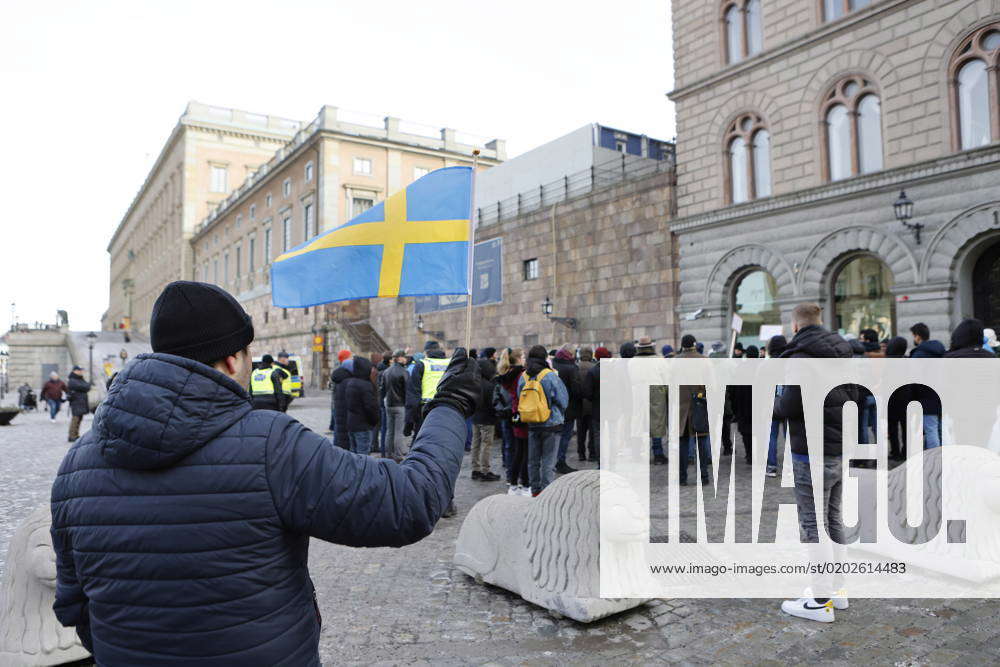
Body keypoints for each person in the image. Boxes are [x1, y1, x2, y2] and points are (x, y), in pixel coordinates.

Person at [50, 280, 480, 665]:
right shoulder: (272, 443)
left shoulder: (76, 464)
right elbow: (409, 503)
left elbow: (74, 607)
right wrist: (450, 404)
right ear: (234, 359)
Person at [775, 302, 854, 622]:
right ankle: (837, 591)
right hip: (838, 446)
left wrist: (773, 404)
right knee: (832, 519)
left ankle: (821, 601)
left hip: (811, 450)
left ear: (795, 326)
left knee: (813, 524)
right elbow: (855, 395)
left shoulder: (800, 358)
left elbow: (789, 406)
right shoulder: (843, 351)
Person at [518, 345, 568, 496]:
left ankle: (535, 492)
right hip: (551, 424)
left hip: (532, 423)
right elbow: (563, 400)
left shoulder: (524, 376)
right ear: (544, 358)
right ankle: (547, 494)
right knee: (548, 462)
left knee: (533, 461)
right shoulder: (550, 375)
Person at [676, 335, 711, 485]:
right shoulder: (704, 360)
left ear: (682, 346)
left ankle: (682, 478)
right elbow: (712, 385)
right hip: (700, 405)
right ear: (694, 344)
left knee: (683, 443)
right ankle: (704, 477)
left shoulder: (674, 362)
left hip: (681, 407)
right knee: (702, 442)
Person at [496, 348, 530, 495]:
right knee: (524, 451)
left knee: (517, 450)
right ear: (518, 358)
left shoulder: (506, 374)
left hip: (512, 414)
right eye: (522, 356)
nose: (524, 359)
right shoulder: (521, 374)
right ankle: (525, 484)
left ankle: (514, 483)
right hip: (521, 413)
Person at [908, 322, 945, 450]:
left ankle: (935, 462)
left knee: (931, 430)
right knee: (939, 429)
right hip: (941, 395)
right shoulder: (941, 350)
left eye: (913, 336)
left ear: (917, 336)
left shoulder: (918, 354)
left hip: (926, 396)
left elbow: (913, 379)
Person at [636, 337, 668, 465]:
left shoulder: (632, 361)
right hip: (656, 390)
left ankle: (638, 454)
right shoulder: (659, 360)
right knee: (657, 422)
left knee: (638, 422)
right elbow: (667, 378)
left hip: (637, 390)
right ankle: (658, 454)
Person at [407, 341, 449, 436]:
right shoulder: (450, 363)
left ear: (426, 352)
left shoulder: (422, 364)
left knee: (423, 439)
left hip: (426, 408)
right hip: (447, 407)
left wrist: (409, 421)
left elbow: (413, 394)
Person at [551, 344, 581, 475]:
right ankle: (560, 462)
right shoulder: (571, 368)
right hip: (569, 408)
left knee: (555, 436)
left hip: (554, 406)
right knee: (565, 436)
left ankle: (553, 461)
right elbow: (576, 390)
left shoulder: (553, 365)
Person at [470, 358, 500, 481]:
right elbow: (492, 404)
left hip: (475, 417)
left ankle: (475, 469)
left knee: (475, 444)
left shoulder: (473, 383)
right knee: (486, 445)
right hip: (487, 419)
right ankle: (485, 471)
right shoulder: (490, 386)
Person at [581, 346, 612, 464]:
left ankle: (601, 462)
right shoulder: (615, 370)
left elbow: (587, 393)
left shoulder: (593, 372)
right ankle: (613, 461)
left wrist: (595, 397)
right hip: (613, 408)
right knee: (613, 435)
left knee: (598, 436)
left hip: (597, 408)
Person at [345, 354, 378, 455]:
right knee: (363, 456)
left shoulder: (351, 383)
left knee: (353, 454)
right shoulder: (365, 385)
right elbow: (370, 407)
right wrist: (375, 420)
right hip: (363, 425)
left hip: (352, 424)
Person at [379, 349, 410, 461]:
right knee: (398, 432)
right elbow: (407, 391)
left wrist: (382, 403)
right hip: (400, 404)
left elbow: (382, 390)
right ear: (400, 358)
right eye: (404, 356)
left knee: (389, 431)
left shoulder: (386, 372)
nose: (406, 359)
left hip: (389, 404)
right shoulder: (404, 372)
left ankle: (389, 454)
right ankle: (397, 455)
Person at [765, 335, 788, 477]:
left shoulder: (766, 364)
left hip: (770, 403)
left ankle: (771, 466)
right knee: (790, 436)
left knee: (771, 436)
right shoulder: (791, 362)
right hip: (788, 402)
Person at [732, 345, 759, 464]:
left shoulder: (741, 368)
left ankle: (749, 455)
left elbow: (734, 389)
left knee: (746, 433)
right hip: (758, 405)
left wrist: (735, 407)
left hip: (743, 406)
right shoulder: (761, 367)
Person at [884, 336, 909, 461]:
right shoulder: (908, 361)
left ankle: (895, 452)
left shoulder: (888, 361)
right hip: (907, 398)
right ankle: (906, 452)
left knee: (892, 427)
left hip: (892, 398)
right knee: (906, 427)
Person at [330, 354, 354, 449]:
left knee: (338, 431)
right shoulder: (348, 380)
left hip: (337, 406)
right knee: (343, 434)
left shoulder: (337, 375)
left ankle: (335, 450)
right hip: (344, 409)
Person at [576, 346, 596, 461]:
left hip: (579, 405)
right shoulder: (594, 368)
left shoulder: (576, 367)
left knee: (581, 432)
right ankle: (592, 454)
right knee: (592, 431)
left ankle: (581, 453)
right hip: (592, 404)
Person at [66, 366, 92, 443]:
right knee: (75, 419)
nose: (81, 372)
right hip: (76, 402)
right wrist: (85, 386)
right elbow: (84, 386)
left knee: (79, 419)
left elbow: (87, 386)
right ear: (75, 371)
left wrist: (86, 386)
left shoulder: (80, 378)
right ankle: (71, 436)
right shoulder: (72, 380)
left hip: (81, 402)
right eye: (79, 370)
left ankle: (76, 434)